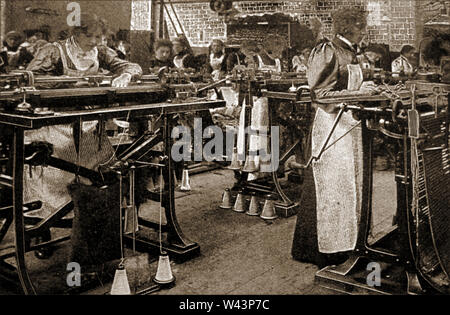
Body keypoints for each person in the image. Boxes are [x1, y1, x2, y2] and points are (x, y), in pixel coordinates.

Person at [23, 13, 142, 218]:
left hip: (87, 121)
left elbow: (131, 65)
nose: (95, 41)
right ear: (76, 33)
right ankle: (45, 220)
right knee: (55, 172)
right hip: (57, 121)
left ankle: (86, 213)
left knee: (96, 167)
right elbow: (32, 78)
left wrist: (126, 74)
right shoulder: (54, 50)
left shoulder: (100, 51)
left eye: (98, 37)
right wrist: (67, 83)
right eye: (89, 36)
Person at [292, 6, 378, 267]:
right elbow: (319, 95)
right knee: (331, 186)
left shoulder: (353, 52)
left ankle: (350, 243)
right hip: (331, 125)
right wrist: (360, 94)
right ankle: (326, 251)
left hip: (349, 123)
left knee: (350, 186)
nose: (364, 30)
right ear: (347, 27)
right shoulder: (327, 50)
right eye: (360, 25)